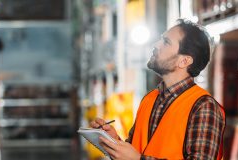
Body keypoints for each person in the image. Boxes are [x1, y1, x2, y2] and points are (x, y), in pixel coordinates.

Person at [90, 19, 226, 160]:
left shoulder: (203, 106)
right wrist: (113, 141)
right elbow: (137, 153)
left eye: (166, 42)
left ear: (184, 61)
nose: (156, 45)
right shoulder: (150, 99)